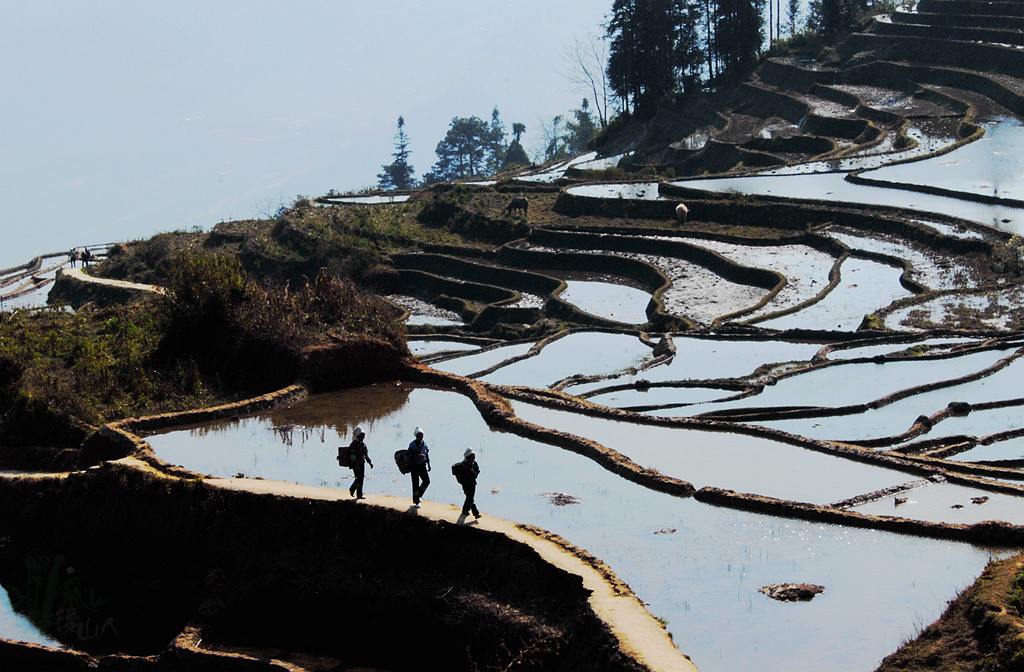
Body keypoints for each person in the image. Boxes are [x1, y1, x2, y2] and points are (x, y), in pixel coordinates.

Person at [453, 447, 481, 519]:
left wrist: (473, 472)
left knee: (470, 498)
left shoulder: (474, 464)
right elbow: (457, 472)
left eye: (474, 457)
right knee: (470, 499)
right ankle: (476, 513)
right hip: (466, 484)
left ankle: (465, 510)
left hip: (472, 483)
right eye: (472, 457)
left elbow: (477, 472)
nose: (473, 458)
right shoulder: (462, 465)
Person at [407, 425, 430, 505]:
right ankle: (416, 501)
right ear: (416, 436)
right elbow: (408, 456)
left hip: (422, 465)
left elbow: (427, 455)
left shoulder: (425, 444)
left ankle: (419, 495)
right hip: (414, 466)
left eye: (421, 435)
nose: (421, 436)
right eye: (419, 435)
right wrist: (417, 456)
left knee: (426, 481)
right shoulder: (412, 445)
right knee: (415, 483)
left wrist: (428, 464)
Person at [348, 426, 373, 499]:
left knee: (361, 479)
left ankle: (359, 494)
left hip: (362, 463)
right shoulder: (354, 444)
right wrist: (354, 463)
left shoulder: (363, 445)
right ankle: (352, 489)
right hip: (356, 464)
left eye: (363, 436)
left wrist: (369, 462)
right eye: (361, 436)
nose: (363, 437)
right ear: (357, 436)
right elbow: (352, 455)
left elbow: (366, 454)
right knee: (358, 478)